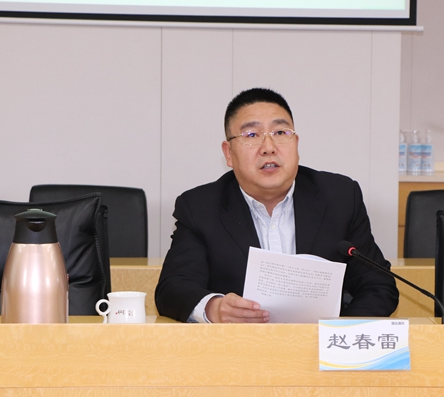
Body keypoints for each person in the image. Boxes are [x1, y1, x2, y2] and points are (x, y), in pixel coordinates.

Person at [155, 88, 399, 323]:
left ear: (296, 143)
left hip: (321, 345)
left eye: (280, 133)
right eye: (252, 135)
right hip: (239, 345)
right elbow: (173, 288)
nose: (269, 148)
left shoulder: (339, 197)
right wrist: (214, 308)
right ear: (228, 153)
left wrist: (335, 334)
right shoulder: (200, 208)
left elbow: (378, 285)